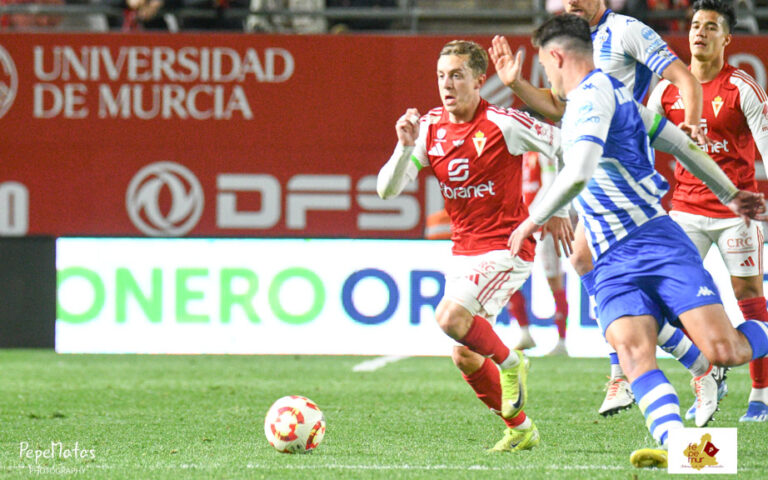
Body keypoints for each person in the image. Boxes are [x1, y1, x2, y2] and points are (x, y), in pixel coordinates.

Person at [506, 13, 768, 468]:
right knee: (633, 353)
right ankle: (687, 455)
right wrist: (731, 193)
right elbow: (680, 144)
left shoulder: (591, 98)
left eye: (544, 66)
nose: (546, 77)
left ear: (557, 57)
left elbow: (580, 170)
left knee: (725, 350)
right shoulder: (611, 94)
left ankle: (703, 394)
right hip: (610, 259)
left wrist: (533, 219)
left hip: (655, 242)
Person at [490, 0, 725, 422]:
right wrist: (517, 83)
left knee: (592, 262)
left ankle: (638, 367)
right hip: (589, 172)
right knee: (583, 260)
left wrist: (692, 121)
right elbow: (559, 106)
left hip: (621, 174)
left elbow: (683, 77)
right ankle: (681, 365)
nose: (571, 2)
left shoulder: (627, 31)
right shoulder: (573, 43)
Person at [376, 39, 574, 453]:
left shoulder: (503, 124)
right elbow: (386, 190)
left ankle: (512, 362)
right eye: (441, 76)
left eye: (457, 75)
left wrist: (557, 207)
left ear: (480, 81)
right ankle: (520, 428)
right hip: (463, 252)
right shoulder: (428, 128)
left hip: (508, 246)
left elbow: (565, 146)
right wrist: (404, 147)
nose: (446, 84)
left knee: (449, 317)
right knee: (464, 356)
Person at [646, 0, 768, 423]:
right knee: (666, 300)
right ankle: (708, 369)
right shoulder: (666, 89)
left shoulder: (742, 88)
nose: (700, 32)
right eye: (696, 25)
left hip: (737, 215)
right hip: (685, 212)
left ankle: (761, 395)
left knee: (748, 296)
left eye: (711, 26)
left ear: (727, 38)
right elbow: (641, 146)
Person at [508, 113, 570, 355]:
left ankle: (562, 341)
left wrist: (535, 217)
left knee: (553, 278)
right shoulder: (517, 150)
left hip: (541, 223)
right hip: (521, 222)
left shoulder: (545, 150)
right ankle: (524, 333)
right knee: (508, 274)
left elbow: (550, 183)